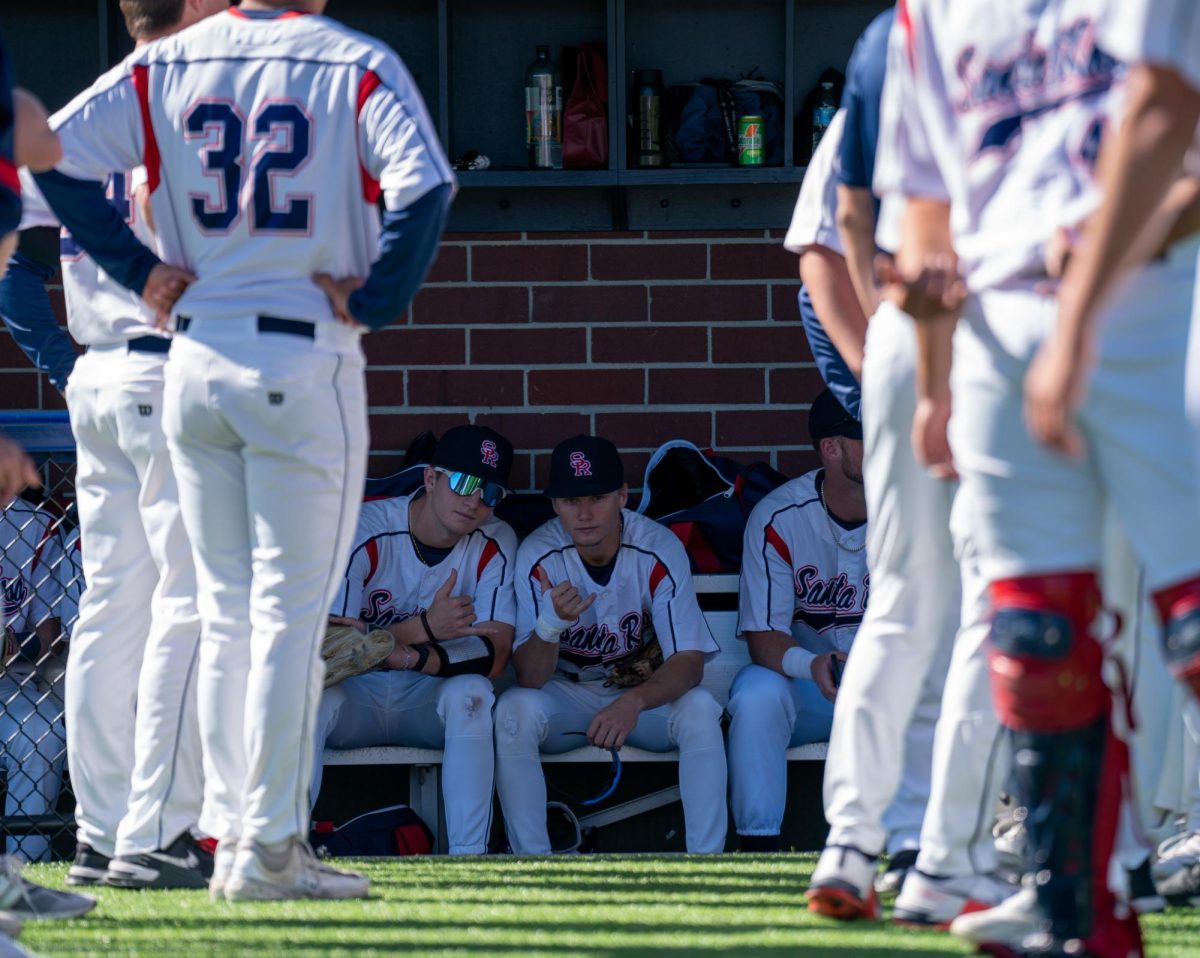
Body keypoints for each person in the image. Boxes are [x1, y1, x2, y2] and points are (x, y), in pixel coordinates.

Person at [35, 0, 455, 901]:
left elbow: (46, 158)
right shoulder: (348, 58)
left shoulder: (168, 60)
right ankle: (256, 845)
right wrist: (378, 298)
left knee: (202, 614)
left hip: (186, 356)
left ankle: (166, 835)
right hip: (296, 352)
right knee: (281, 618)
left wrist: (138, 268)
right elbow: (429, 187)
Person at [877, 2, 1200, 954]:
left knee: (1189, 616)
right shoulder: (924, 13)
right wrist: (934, 383)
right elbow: (928, 197)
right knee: (1032, 632)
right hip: (995, 322)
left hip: (1149, 302)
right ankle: (1081, 921)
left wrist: (1081, 317)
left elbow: (1165, 110)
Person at [13, 0, 228, 894]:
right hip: (171, 374)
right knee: (187, 604)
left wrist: (64, 364)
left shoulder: (83, 111)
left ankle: (103, 834)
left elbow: (11, 259)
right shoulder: (201, 106)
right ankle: (160, 832)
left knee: (112, 609)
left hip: (101, 381)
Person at [495, 435, 726, 855]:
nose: (583, 514)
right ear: (554, 505)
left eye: (597, 497)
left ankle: (707, 861)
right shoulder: (539, 555)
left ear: (622, 496)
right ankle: (531, 864)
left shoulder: (657, 546)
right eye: (570, 500)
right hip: (565, 691)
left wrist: (633, 702)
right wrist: (549, 626)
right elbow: (528, 678)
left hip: (640, 696)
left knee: (701, 710)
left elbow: (689, 662)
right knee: (513, 712)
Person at [312, 424, 517, 857]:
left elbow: (492, 656)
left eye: (491, 491)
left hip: (426, 693)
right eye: (464, 482)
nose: (476, 501)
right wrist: (424, 629)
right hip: (355, 695)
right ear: (430, 478)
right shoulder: (364, 528)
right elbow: (331, 650)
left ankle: (470, 859)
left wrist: (405, 655)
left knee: (474, 693)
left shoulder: (495, 541)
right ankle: (284, 853)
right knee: (307, 696)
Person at [725, 389, 867, 851]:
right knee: (757, 693)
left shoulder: (916, 510)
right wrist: (813, 666)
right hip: (813, 687)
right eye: (869, 437)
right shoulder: (779, 517)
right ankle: (757, 848)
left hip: (890, 690)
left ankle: (930, 854)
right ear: (832, 448)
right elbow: (764, 638)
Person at [0, 498, 65, 863]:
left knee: (42, 734)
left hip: (6, 678)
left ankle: (27, 871)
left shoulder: (33, 523)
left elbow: (50, 637)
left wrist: (12, 644)